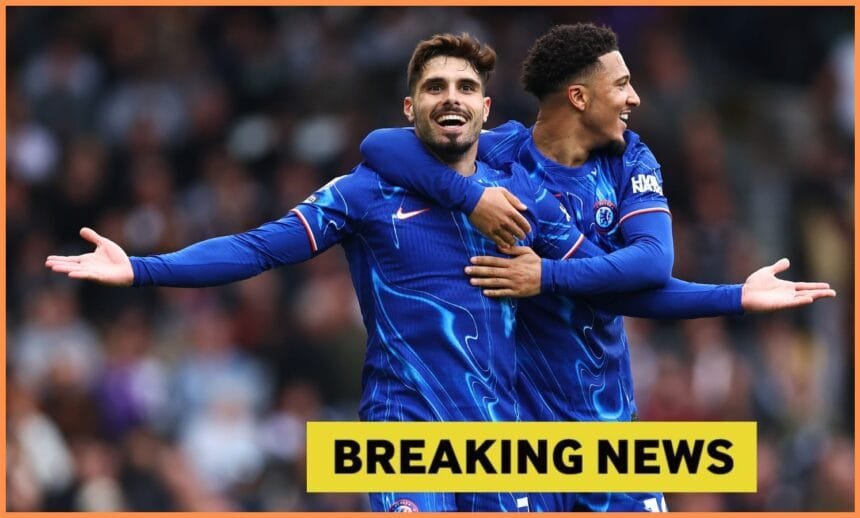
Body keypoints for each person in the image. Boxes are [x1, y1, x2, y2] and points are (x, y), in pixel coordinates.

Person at [358, 23, 836, 512]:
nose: (634, 98)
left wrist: (546, 276)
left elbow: (651, 263)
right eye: (621, 84)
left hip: (609, 426)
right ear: (580, 97)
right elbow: (379, 145)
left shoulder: (631, 158)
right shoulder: (502, 155)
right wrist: (473, 197)